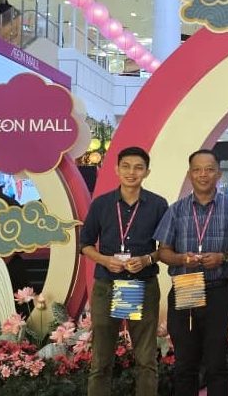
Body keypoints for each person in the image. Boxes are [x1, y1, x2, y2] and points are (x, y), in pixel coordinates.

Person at [154, 149, 228, 396]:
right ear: (189, 174)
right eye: (197, 170)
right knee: (185, 363)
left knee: (217, 362)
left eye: (209, 169)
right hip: (186, 287)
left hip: (219, 291)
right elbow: (163, 251)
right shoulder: (176, 210)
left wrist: (223, 257)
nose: (203, 174)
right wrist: (181, 259)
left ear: (218, 173)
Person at [79, 146, 168, 396]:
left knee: (146, 359)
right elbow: (84, 245)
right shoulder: (101, 204)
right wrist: (105, 260)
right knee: (101, 359)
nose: (132, 172)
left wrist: (147, 259)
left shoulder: (158, 204)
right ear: (117, 169)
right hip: (107, 285)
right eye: (126, 166)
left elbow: (166, 249)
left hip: (143, 285)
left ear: (147, 172)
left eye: (138, 167)